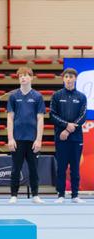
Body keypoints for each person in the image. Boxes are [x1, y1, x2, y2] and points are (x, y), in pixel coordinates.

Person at [7, 67, 45, 204]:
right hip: (17, 139)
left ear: (31, 78)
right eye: (20, 76)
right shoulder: (13, 97)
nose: (23, 78)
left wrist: (39, 139)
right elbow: (10, 118)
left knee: (33, 169)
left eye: (25, 75)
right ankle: (13, 195)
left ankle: (35, 194)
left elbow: (40, 119)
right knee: (15, 169)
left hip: (32, 139)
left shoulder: (38, 97)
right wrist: (10, 138)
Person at [50, 68, 87, 204]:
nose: (69, 79)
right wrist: (65, 127)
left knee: (75, 167)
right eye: (66, 77)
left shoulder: (81, 97)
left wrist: (69, 129)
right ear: (63, 79)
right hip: (61, 137)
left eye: (71, 77)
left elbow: (82, 117)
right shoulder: (57, 96)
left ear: (75, 79)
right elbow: (52, 115)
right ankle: (60, 194)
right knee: (61, 167)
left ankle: (75, 195)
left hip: (76, 138)